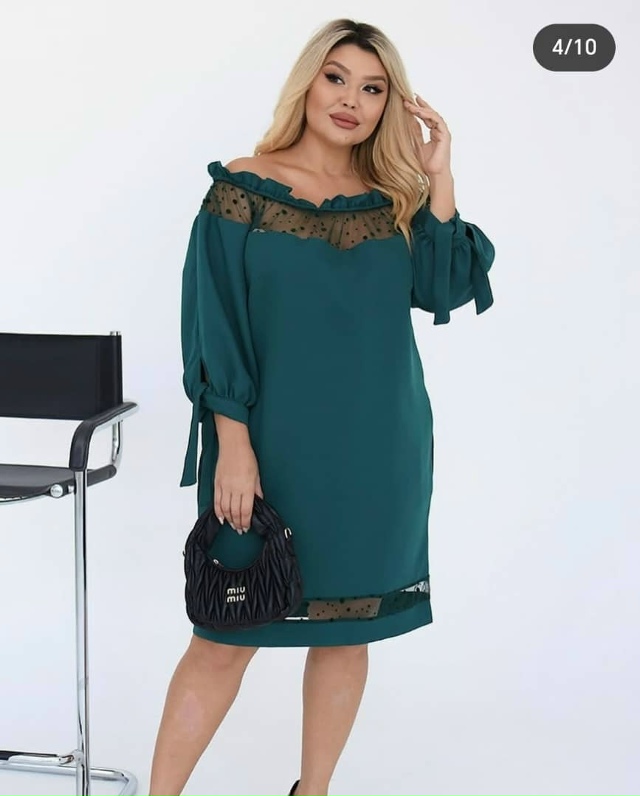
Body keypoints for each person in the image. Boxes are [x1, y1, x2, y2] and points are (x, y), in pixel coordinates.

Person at [149, 17, 495, 796]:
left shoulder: (394, 201)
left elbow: (443, 288)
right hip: (267, 449)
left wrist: (438, 176)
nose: (351, 100)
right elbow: (213, 322)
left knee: (346, 633)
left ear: (388, 106)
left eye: (373, 89)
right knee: (222, 637)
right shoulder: (243, 188)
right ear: (308, 82)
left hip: (378, 451)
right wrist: (233, 445)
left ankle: (314, 792)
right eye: (337, 78)